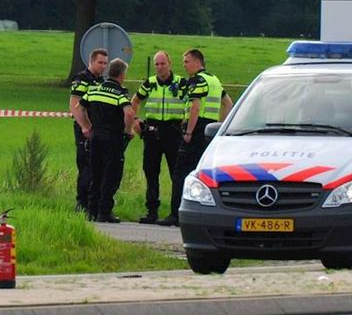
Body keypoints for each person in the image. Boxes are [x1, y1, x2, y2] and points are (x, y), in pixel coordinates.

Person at [158, 48, 234, 226]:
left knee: (180, 173)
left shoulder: (197, 81)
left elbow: (195, 107)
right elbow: (228, 104)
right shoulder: (214, 80)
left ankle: (176, 214)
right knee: (202, 173)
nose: (184, 66)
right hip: (209, 130)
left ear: (197, 62)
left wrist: (188, 132)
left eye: (186, 62)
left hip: (196, 129)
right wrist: (219, 127)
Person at [75, 58, 137, 223]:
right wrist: (128, 130)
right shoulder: (119, 93)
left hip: (95, 137)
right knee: (110, 175)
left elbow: (79, 108)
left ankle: (91, 211)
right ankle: (104, 212)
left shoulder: (95, 90)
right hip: (112, 138)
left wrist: (87, 126)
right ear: (122, 75)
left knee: (95, 173)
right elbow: (129, 113)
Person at [130, 51, 186, 224]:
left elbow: (192, 103)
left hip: (173, 132)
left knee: (176, 174)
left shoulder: (181, 83)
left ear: (169, 63)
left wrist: (185, 122)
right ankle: (151, 211)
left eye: (163, 63)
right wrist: (135, 121)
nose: (160, 67)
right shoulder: (150, 83)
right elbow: (135, 101)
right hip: (153, 132)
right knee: (151, 172)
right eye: (157, 64)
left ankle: (176, 213)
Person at [69, 48, 108, 212]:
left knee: (98, 166)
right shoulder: (82, 78)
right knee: (85, 166)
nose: (103, 66)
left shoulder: (100, 81)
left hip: (98, 129)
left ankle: (94, 203)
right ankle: (82, 203)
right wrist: (85, 127)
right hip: (85, 129)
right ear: (91, 61)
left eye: (106, 63)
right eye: (100, 63)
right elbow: (74, 106)